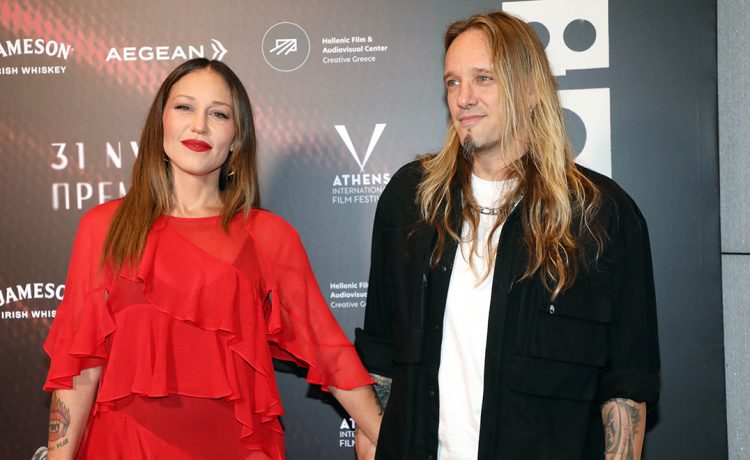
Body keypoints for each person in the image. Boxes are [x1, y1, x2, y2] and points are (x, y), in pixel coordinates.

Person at [354, 10, 660, 460]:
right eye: (453, 82)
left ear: (531, 89)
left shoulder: (599, 215)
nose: (464, 98)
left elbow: (626, 387)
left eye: (484, 78)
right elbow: (381, 356)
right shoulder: (411, 201)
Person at [43, 58, 381, 459]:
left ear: (237, 138)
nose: (199, 125)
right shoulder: (105, 228)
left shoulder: (268, 237)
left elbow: (328, 349)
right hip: (125, 447)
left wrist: (388, 435)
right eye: (184, 107)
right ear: (161, 122)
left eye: (218, 114)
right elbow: (79, 368)